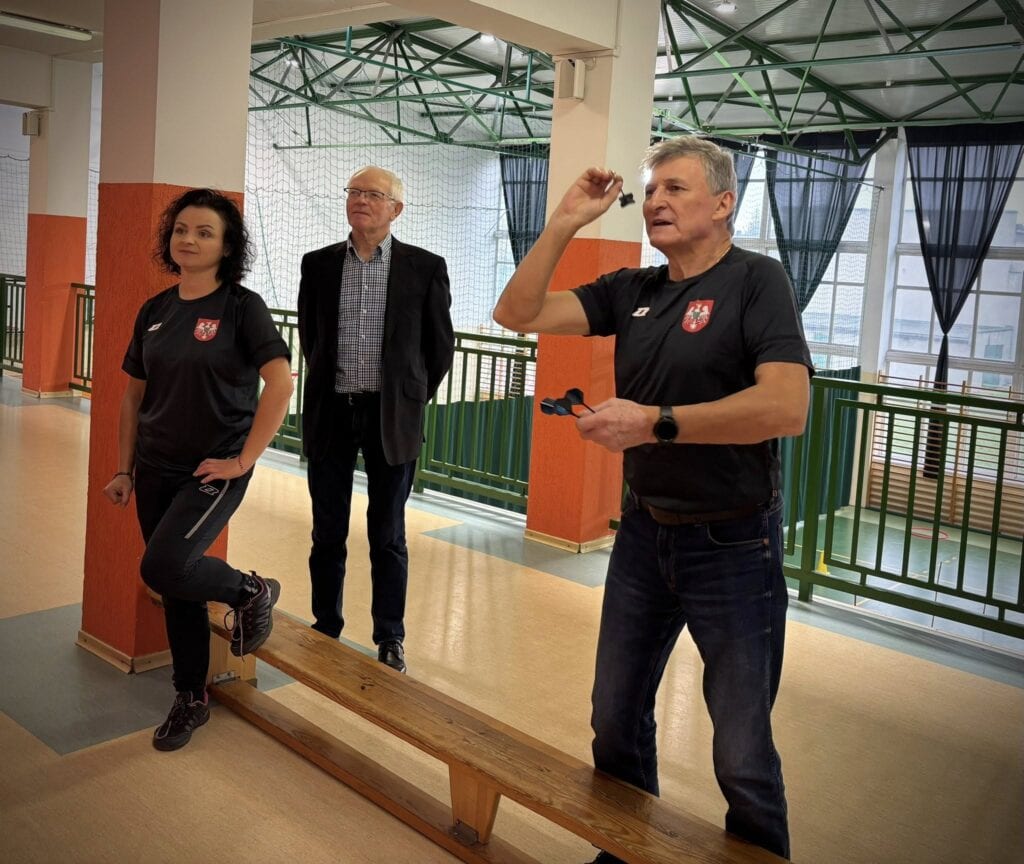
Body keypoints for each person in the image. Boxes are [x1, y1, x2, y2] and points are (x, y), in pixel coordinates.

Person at [492, 137, 813, 861]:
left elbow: (786, 407)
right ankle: (625, 851)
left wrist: (655, 423)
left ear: (724, 204)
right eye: (652, 190)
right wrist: (565, 220)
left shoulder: (756, 280)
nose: (657, 201)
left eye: (677, 188)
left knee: (741, 751)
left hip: (734, 543)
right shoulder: (632, 288)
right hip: (644, 533)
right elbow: (516, 311)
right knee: (614, 719)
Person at [103, 188, 294, 752]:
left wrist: (244, 459)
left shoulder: (242, 308)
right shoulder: (156, 310)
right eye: (181, 229)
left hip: (213, 470)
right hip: (153, 466)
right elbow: (133, 398)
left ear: (227, 246)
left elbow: (281, 384)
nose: (188, 239)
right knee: (176, 582)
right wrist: (124, 469)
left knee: (163, 565)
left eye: (204, 232)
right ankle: (190, 695)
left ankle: (250, 589)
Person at [297, 165, 454, 674]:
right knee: (327, 530)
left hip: (392, 418)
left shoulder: (424, 268)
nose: (361, 200)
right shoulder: (318, 264)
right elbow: (311, 338)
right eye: (354, 192)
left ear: (395, 209)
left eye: (373, 194)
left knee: (388, 534)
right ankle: (325, 625)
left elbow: (439, 347)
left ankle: (390, 636)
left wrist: (409, 398)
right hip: (332, 412)